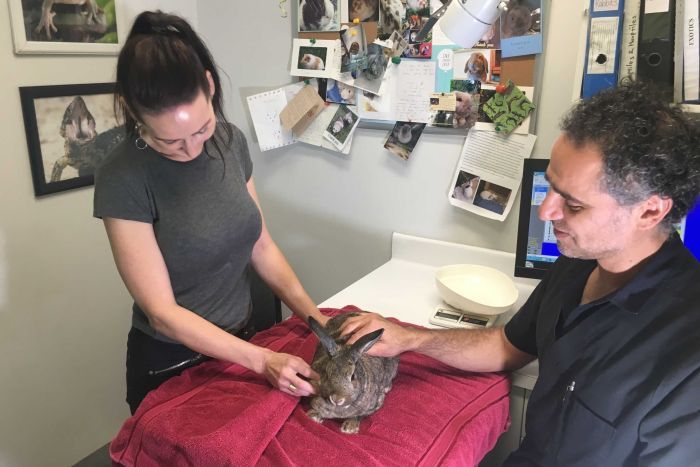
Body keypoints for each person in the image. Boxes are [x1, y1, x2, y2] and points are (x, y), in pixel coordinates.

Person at [341, 81, 700, 465]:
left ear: (649, 212)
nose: (546, 212)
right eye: (551, 187)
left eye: (574, 205)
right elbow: (507, 346)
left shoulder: (686, 352)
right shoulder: (576, 263)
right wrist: (410, 339)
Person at [93, 11, 328, 414]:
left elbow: (262, 246)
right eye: (169, 141)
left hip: (241, 343)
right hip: (172, 362)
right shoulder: (122, 176)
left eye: (200, 129)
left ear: (209, 84)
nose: (192, 149)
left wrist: (319, 323)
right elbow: (162, 313)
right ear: (134, 114)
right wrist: (262, 361)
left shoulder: (229, 141)